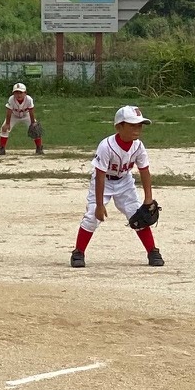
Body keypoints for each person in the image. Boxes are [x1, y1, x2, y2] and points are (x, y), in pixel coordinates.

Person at [71, 105, 163, 268]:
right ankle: (78, 252)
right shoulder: (106, 146)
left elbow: (144, 171)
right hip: (103, 182)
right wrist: (99, 205)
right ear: (119, 126)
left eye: (139, 125)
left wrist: (148, 199)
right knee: (92, 216)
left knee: (138, 215)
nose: (137, 129)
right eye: (132, 125)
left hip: (124, 181)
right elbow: (100, 175)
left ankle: (152, 251)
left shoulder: (138, 146)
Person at [0, 81, 43, 158]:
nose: (19, 95)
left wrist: (33, 122)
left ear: (25, 93)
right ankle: (1, 148)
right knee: (4, 129)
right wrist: (7, 123)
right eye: (16, 92)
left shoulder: (29, 99)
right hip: (14, 115)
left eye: (21, 92)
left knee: (35, 130)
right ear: (13, 93)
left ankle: (39, 148)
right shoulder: (11, 99)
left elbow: (31, 111)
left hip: (26, 115)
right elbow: (9, 111)